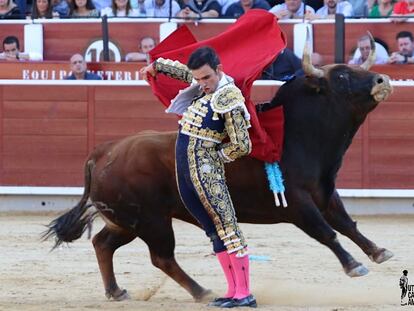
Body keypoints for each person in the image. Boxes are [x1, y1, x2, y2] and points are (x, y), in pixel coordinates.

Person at [140, 46, 257, 308]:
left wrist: (216, 157)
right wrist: (157, 66)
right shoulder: (203, 83)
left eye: (207, 78)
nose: (202, 84)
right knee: (213, 231)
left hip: (207, 172)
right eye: (199, 79)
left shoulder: (229, 96)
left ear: (219, 71)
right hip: (186, 170)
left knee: (228, 228)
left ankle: (245, 293)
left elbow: (242, 144)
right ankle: (232, 290)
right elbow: (184, 72)